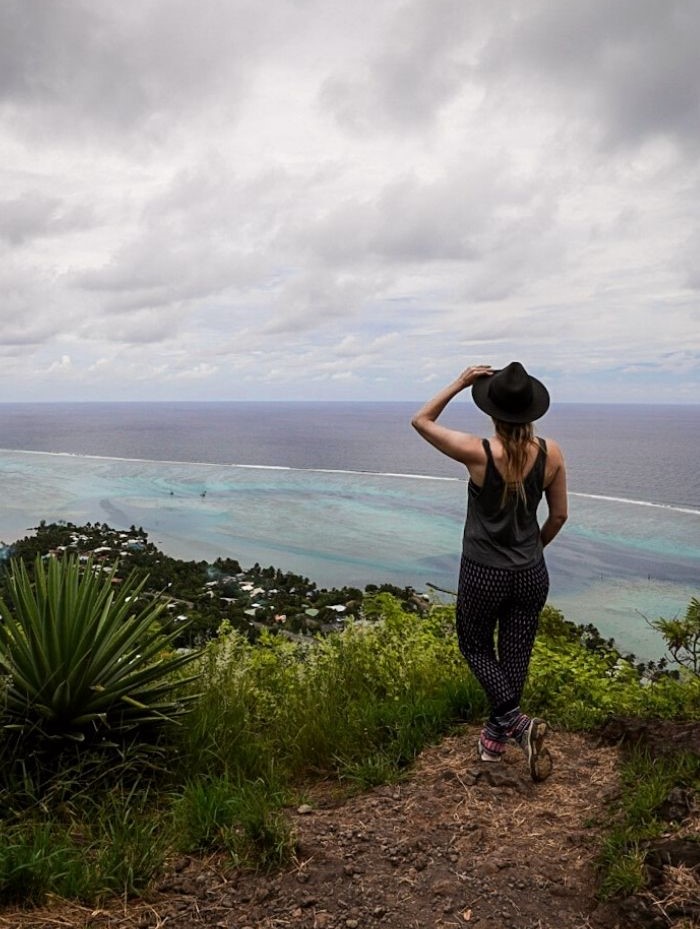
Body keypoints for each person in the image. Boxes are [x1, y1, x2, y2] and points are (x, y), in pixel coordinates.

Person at [411, 361, 568, 781]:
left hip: (484, 571)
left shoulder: (480, 453)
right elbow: (558, 517)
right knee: (515, 655)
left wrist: (461, 382)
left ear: (493, 413)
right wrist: (532, 550)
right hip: (531, 572)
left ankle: (516, 725)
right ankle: (495, 742)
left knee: (476, 647)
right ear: (532, 412)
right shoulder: (551, 453)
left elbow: (421, 420)